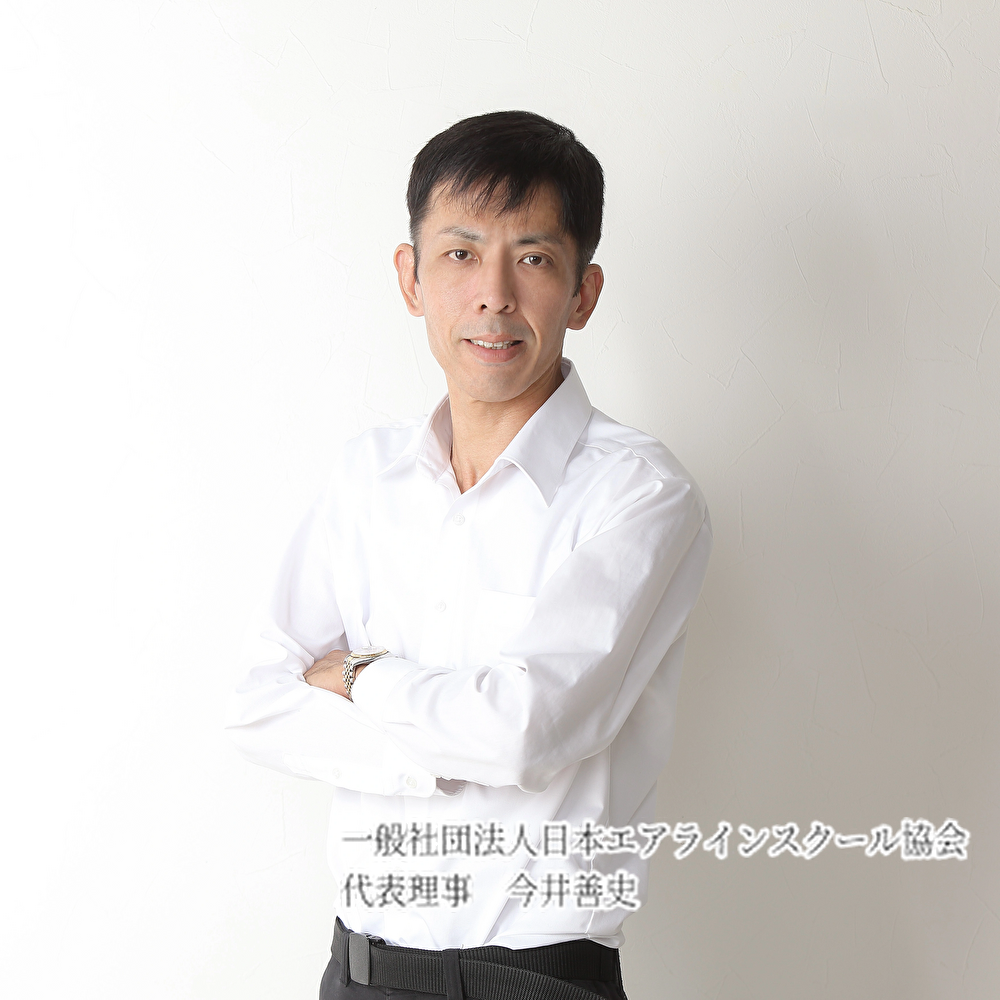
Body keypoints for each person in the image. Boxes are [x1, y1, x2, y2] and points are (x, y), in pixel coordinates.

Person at [224, 110, 712, 1000]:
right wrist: (447, 744)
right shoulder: (365, 476)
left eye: (533, 258)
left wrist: (364, 678)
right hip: (357, 974)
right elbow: (256, 699)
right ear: (410, 277)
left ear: (583, 293)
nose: (493, 294)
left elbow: (527, 731)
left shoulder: (639, 495)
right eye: (460, 253)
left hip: (535, 982)